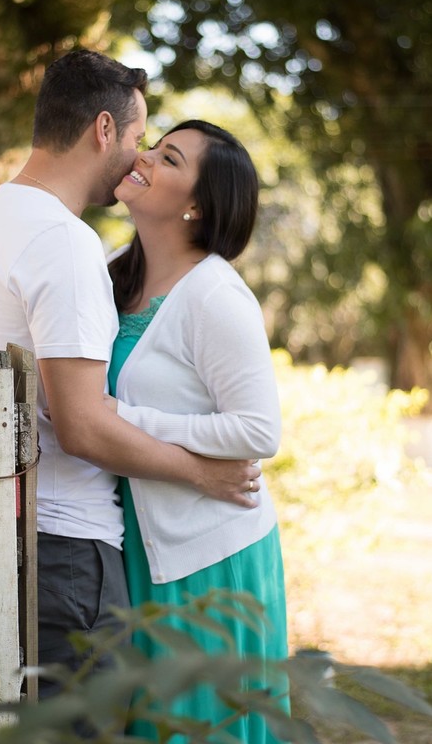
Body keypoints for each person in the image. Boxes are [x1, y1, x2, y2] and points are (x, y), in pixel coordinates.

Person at [0, 52, 262, 699]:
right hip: (66, 553)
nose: (139, 158)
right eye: (141, 139)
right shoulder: (63, 240)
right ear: (104, 130)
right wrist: (200, 470)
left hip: (4, 531)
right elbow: (83, 426)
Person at [107, 120, 288, 742]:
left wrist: (122, 420)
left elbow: (259, 429)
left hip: (210, 558)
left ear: (197, 206)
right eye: (153, 145)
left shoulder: (216, 296)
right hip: (132, 546)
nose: (145, 157)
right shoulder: (109, 276)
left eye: (169, 158)